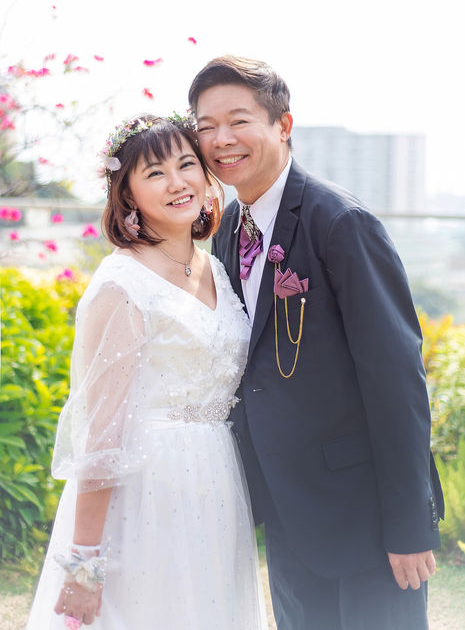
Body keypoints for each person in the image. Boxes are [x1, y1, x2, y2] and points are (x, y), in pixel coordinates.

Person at [188, 56, 445, 630]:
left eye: (239, 121)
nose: (221, 140)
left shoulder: (340, 222)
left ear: (283, 125)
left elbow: (397, 379)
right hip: (288, 512)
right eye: (207, 127)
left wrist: (409, 526)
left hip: (365, 516)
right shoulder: (228, 229)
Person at [27, 114, 267, 629]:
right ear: (128, 194)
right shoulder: (122, 284)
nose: (177, 182)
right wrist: (84, 560)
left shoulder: (215, 268)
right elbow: (101, 432)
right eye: (155, 173)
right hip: (146, 491)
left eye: (187, 165)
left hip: (216, 480)